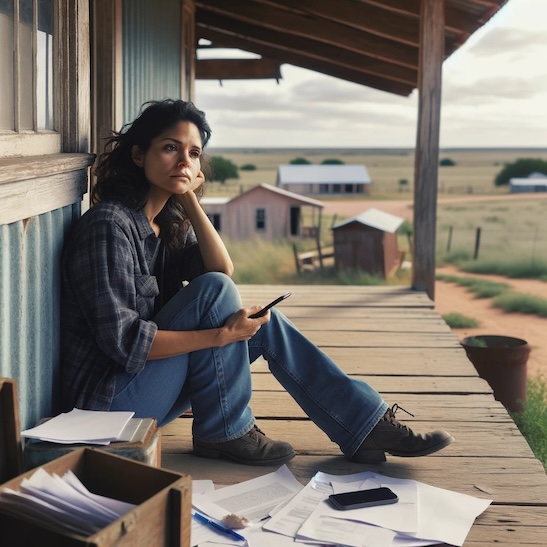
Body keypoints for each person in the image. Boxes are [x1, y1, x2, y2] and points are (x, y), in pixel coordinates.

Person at [60, 99, 453, 466]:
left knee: (263, 322)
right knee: (219, 299)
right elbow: (126, 342)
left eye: (193, 154)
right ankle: (225, 432)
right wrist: (219, 337)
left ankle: (364, 425)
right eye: (170, 148)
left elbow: (221, 268)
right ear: (138, 154)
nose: (183, 161)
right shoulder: (109, 226)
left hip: (149, 393)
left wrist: (191, 201)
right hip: (110, 410)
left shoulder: (164, 227)